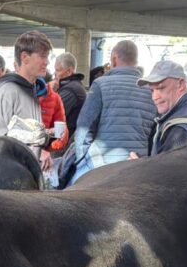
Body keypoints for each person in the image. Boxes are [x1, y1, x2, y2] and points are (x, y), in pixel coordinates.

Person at [65, 40, 156, 185]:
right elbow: (153, 136)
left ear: (114, 59)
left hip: (102, 165)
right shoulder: (151, 91)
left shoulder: (101, 84)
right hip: (138, 166)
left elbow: (83, 129)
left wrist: (81, 160)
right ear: (136, 60)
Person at [0, 30, 53, 165]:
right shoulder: (9, 91)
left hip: (27, 173)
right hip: (13, 177)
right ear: (25, 57)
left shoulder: (31, 89)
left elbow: (21, 131)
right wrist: (38, 138)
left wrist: (42, 144)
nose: (47, 62)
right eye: (43, 56)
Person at [137, 60, 187, 155]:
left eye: (161, 88)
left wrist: (139, 166)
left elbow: (171, 169)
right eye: (152, 90)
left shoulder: (180, 130)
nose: (154, 97)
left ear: (181, 84)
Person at [54, 52, 87, 136]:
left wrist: (51, 91)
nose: (55, 74)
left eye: (58, 70)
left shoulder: (70, 90)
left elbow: (52, 114)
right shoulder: (74, 85)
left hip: (66, 141)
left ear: (69, 71)